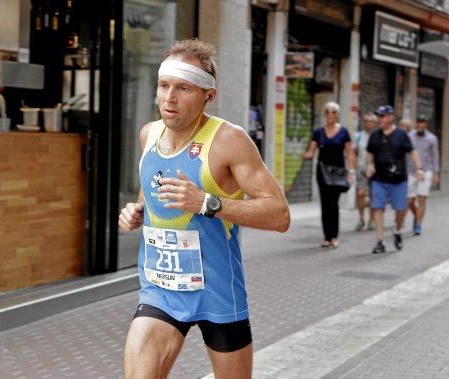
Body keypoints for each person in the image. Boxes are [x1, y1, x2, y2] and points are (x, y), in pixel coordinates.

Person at [118, 39, 290, 379]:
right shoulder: (148, 135)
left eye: (183, 88)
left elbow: (279, 215)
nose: (169, 97)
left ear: (207, 95)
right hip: (161, 290)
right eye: (164, 86)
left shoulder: (229, 140)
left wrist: (207, 203)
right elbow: (151, 190)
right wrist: (136, 211)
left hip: (217, 294)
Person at [366, 105, 424, 254]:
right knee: (378, 208)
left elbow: (413, 152)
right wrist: (369, 165)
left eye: (383, 116)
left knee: (400, 209)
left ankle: (397, 230)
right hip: (379, 179)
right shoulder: (375, 135)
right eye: (379, 116)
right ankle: (380, 241)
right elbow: (370, 154)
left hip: (399, 180)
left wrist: (419, 169)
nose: (380, 119)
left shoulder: (401, 134)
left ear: (391, 117)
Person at [303, 102, 355, 248]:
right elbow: (311, 151)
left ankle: (334, 236)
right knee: (325, 205)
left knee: (334, 204)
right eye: (327, 112)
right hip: (323, 173)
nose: (330, 115)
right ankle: (327, 237)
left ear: (337, 114)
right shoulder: (318, 132)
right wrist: (305, 154)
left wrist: (351, 171)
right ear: (324, 114)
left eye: (333, 112)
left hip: (338, 173)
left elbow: (349, 152)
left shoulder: (343, 132)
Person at [405, 115, 440, 235]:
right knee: (409, 201)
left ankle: (418, 224)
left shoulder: (432, 138)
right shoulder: (409, 136)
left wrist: (436, 173)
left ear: (426, 125)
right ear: (416, 124)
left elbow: (435, 156)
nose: (420, 125)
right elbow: (405, 153)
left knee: (422, 198)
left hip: (426, 171)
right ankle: (416, 215)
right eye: (418, 123)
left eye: (423, 123)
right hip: (411, 171)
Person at [354, 113, 377, 231]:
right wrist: (353, 169)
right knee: (361, 194)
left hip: (375, 170)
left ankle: (371, 220)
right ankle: (361, 218)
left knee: (373, 196)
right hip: (361, 169)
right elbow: (354, 153)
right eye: (367, 121)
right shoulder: (358, 136)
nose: (369, 124)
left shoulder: (379, 136)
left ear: (375, 123)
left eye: (371, 121)